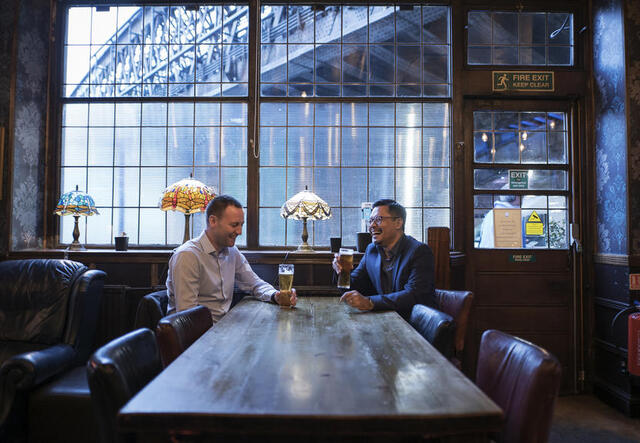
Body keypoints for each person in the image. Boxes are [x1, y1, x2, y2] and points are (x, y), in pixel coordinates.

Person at [166, 195, 296, 323]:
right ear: (213, 221)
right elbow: (187, 316)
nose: (239, 231)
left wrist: (275, 296)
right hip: (196, 336)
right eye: (234, 225)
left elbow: (254, 284)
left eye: (241, 225)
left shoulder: (232, 252)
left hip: (223, 329)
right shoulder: (187, 256)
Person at [332, 199, 436, 320]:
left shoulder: (419, 251)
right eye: (371, 221)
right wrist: (343, 272)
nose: (371, 226)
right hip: (386, 319)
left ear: (398, 223)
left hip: (414, 324)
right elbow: (355, 287)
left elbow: (414, 295)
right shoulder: (372, 250)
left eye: (378, 219)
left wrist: (370, 302)